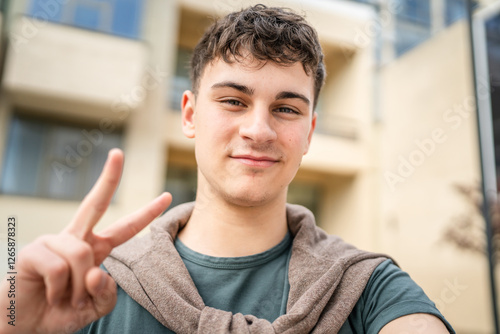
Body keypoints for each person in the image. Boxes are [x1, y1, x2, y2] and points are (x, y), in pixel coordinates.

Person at [0, 4, 454, 333]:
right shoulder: (90, 290)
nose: (259, 130)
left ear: (310, 131)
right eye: (234, 101)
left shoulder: (368, 287)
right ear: (190, 114)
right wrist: (12, 321)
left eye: (287, 109)